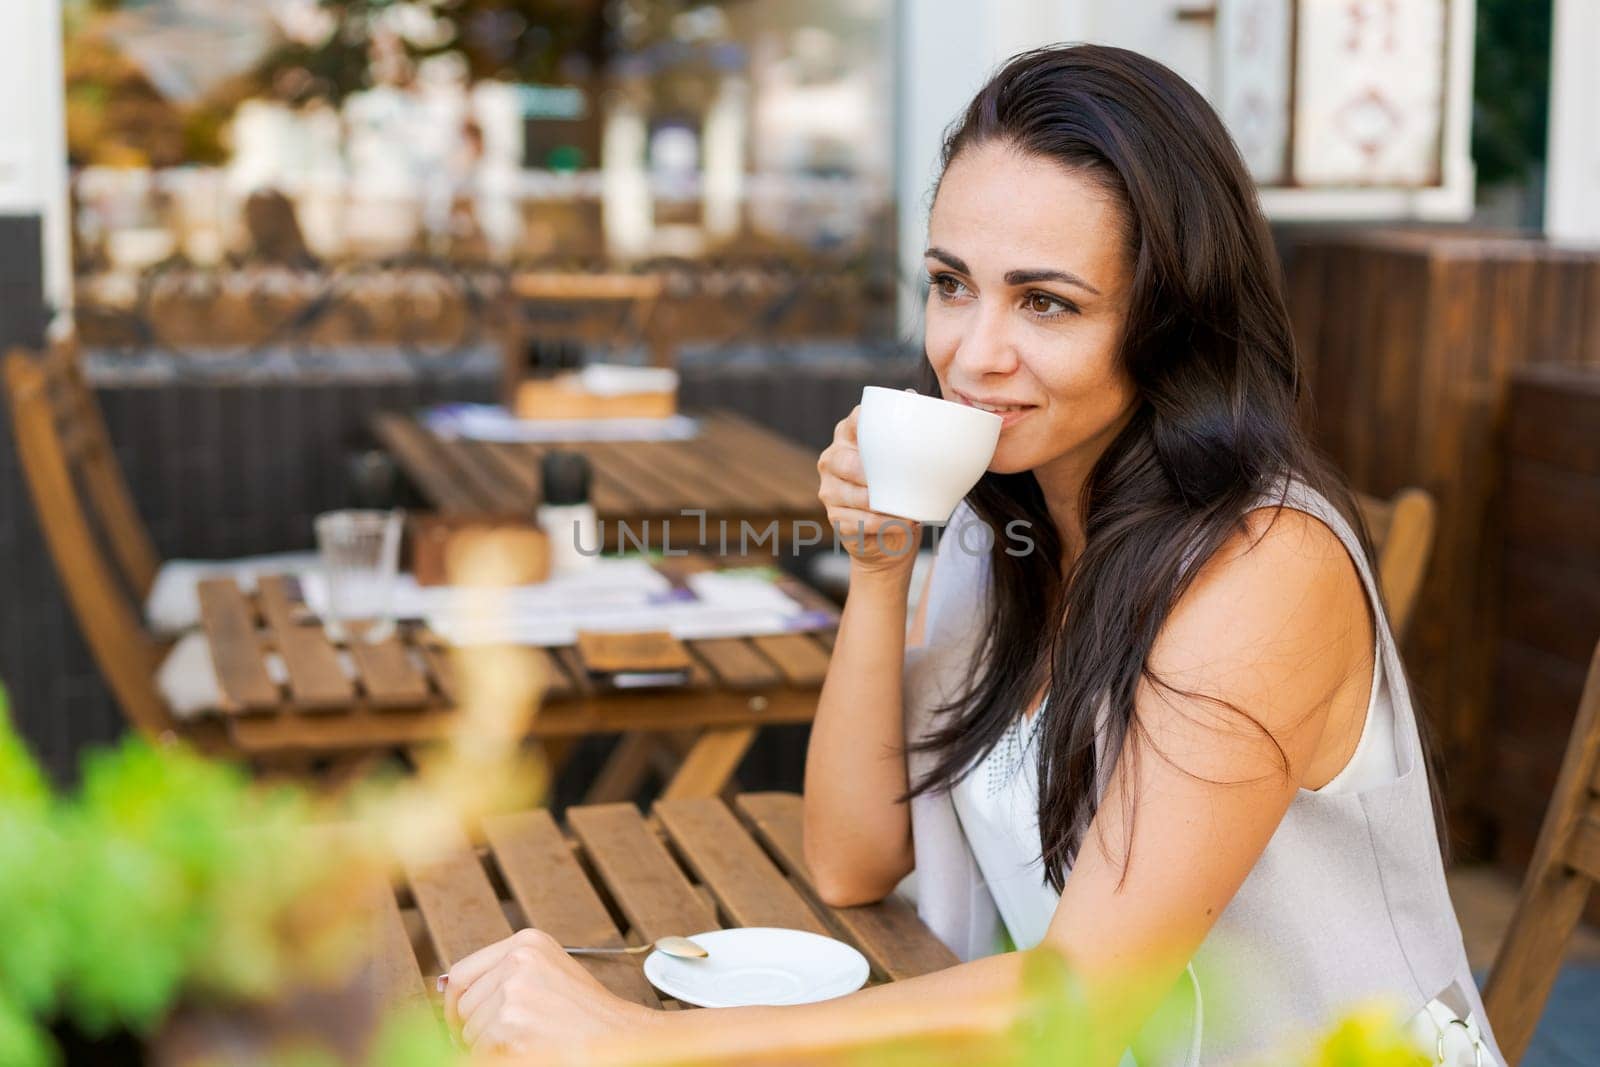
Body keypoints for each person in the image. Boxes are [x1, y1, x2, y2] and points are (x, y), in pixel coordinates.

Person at [438, 45, 1502, 1066]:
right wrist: (880, 566)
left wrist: (634, 1040)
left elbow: (1079, 1002)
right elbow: (852, 857)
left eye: (1044, 301)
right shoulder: (1006, 520)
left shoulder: (1262, 567)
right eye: (952, 283)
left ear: (1171, 322)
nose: (970, 354)